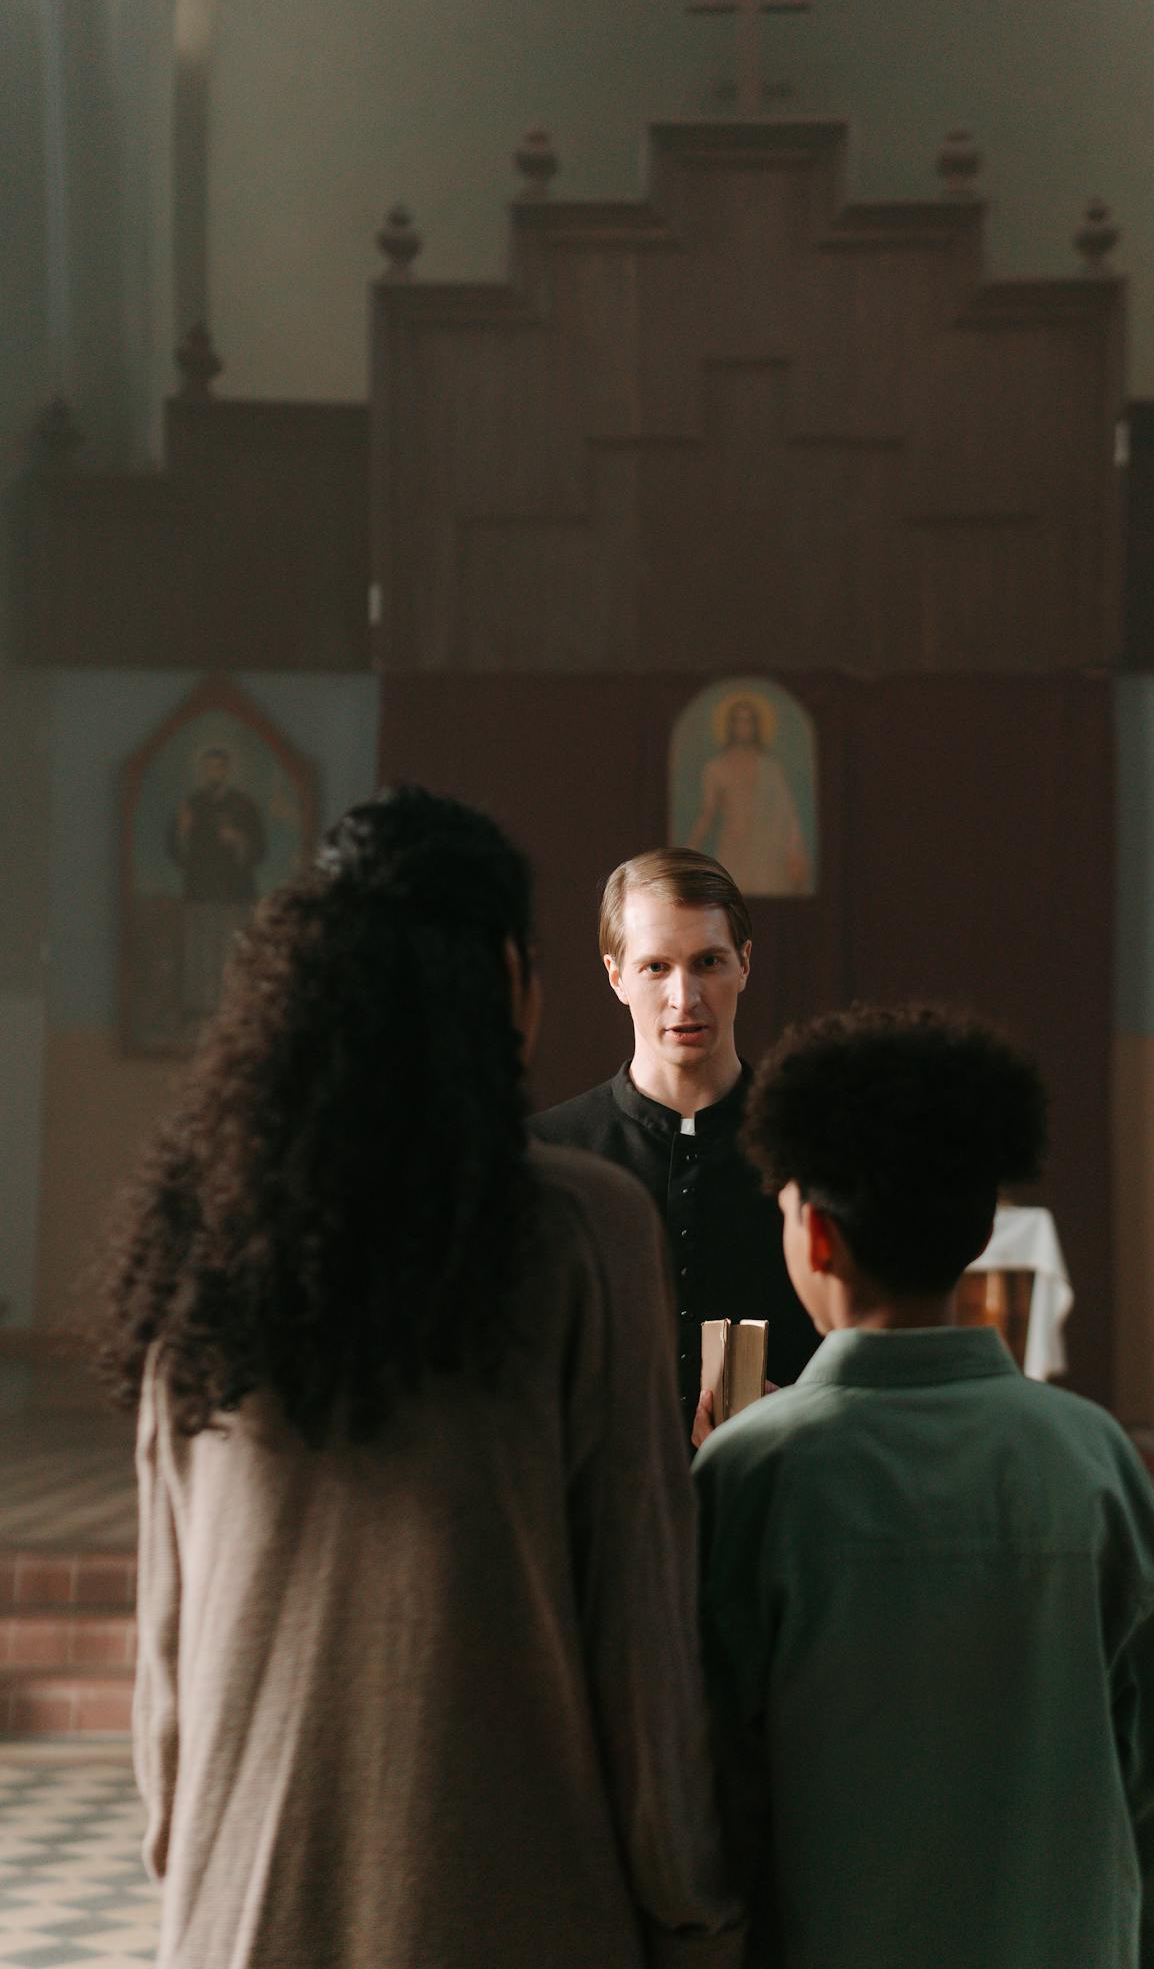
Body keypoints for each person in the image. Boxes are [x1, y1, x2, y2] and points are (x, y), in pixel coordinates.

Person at [100, 786, 743, 1969]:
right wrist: (698, 1916)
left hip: (240, 1909)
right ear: (511, 977)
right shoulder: (578, 1230)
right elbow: (640, 1642)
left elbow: (168, 1666)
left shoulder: (203, 1241)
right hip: (513, 1908)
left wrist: (200, 1881)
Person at [693, 1003, 1154, 1969]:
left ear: (815, 1238)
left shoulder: (748, 1471)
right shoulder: (1092, 1460)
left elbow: (706, 1791)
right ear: (978, 1232)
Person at [531, 848, 817, 1440]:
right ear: (616, 976)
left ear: (744, 964)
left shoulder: (813, 1148)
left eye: (707, 962)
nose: (684, 998)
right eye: (656, 967)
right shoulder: (546, 1156)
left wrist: (805, 1411)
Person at [167, 745, 268, 1018]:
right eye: (209, 767)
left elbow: (260, 850)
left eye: (219, 767)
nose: (215, 772)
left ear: (227, 770)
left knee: (231, 949)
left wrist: (239, 840)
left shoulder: (244, 805)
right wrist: (182, 831)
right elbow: (176, 852)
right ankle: (200, 1009)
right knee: (200, 950)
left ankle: (232, 1009)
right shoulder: (192, 804)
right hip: (200, 890)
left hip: (235, 891)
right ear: (203, 771)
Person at [688, 696, 810, 897]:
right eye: (738, 721)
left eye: (748, 721)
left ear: (756, 726)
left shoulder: (770, 768)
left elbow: (787, 812)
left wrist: (795, 850)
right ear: (731, 726)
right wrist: (690, 849)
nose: (743, 727)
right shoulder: (716, 768)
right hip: (733, 846)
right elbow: (708, 813)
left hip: (767, 848)